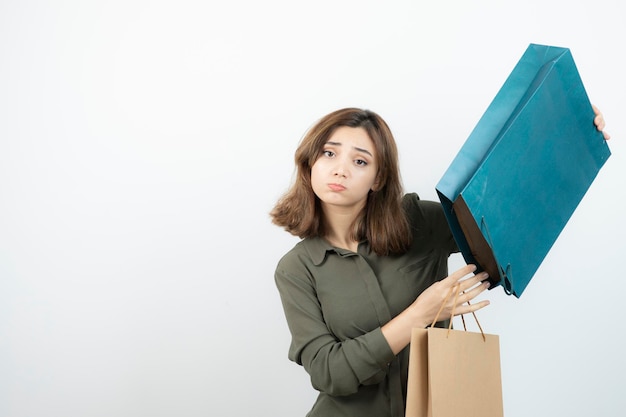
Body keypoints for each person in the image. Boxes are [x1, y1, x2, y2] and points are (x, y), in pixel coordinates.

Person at [270, 106, 609, 417]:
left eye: (360, 161)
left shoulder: (418, 222)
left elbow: (507, 217)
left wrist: (570, 137)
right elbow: (330, 373)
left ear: (378, 179)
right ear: (310, 162)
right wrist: (420, 314)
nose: (340, 169)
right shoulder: (296, 270)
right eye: (329, 153)